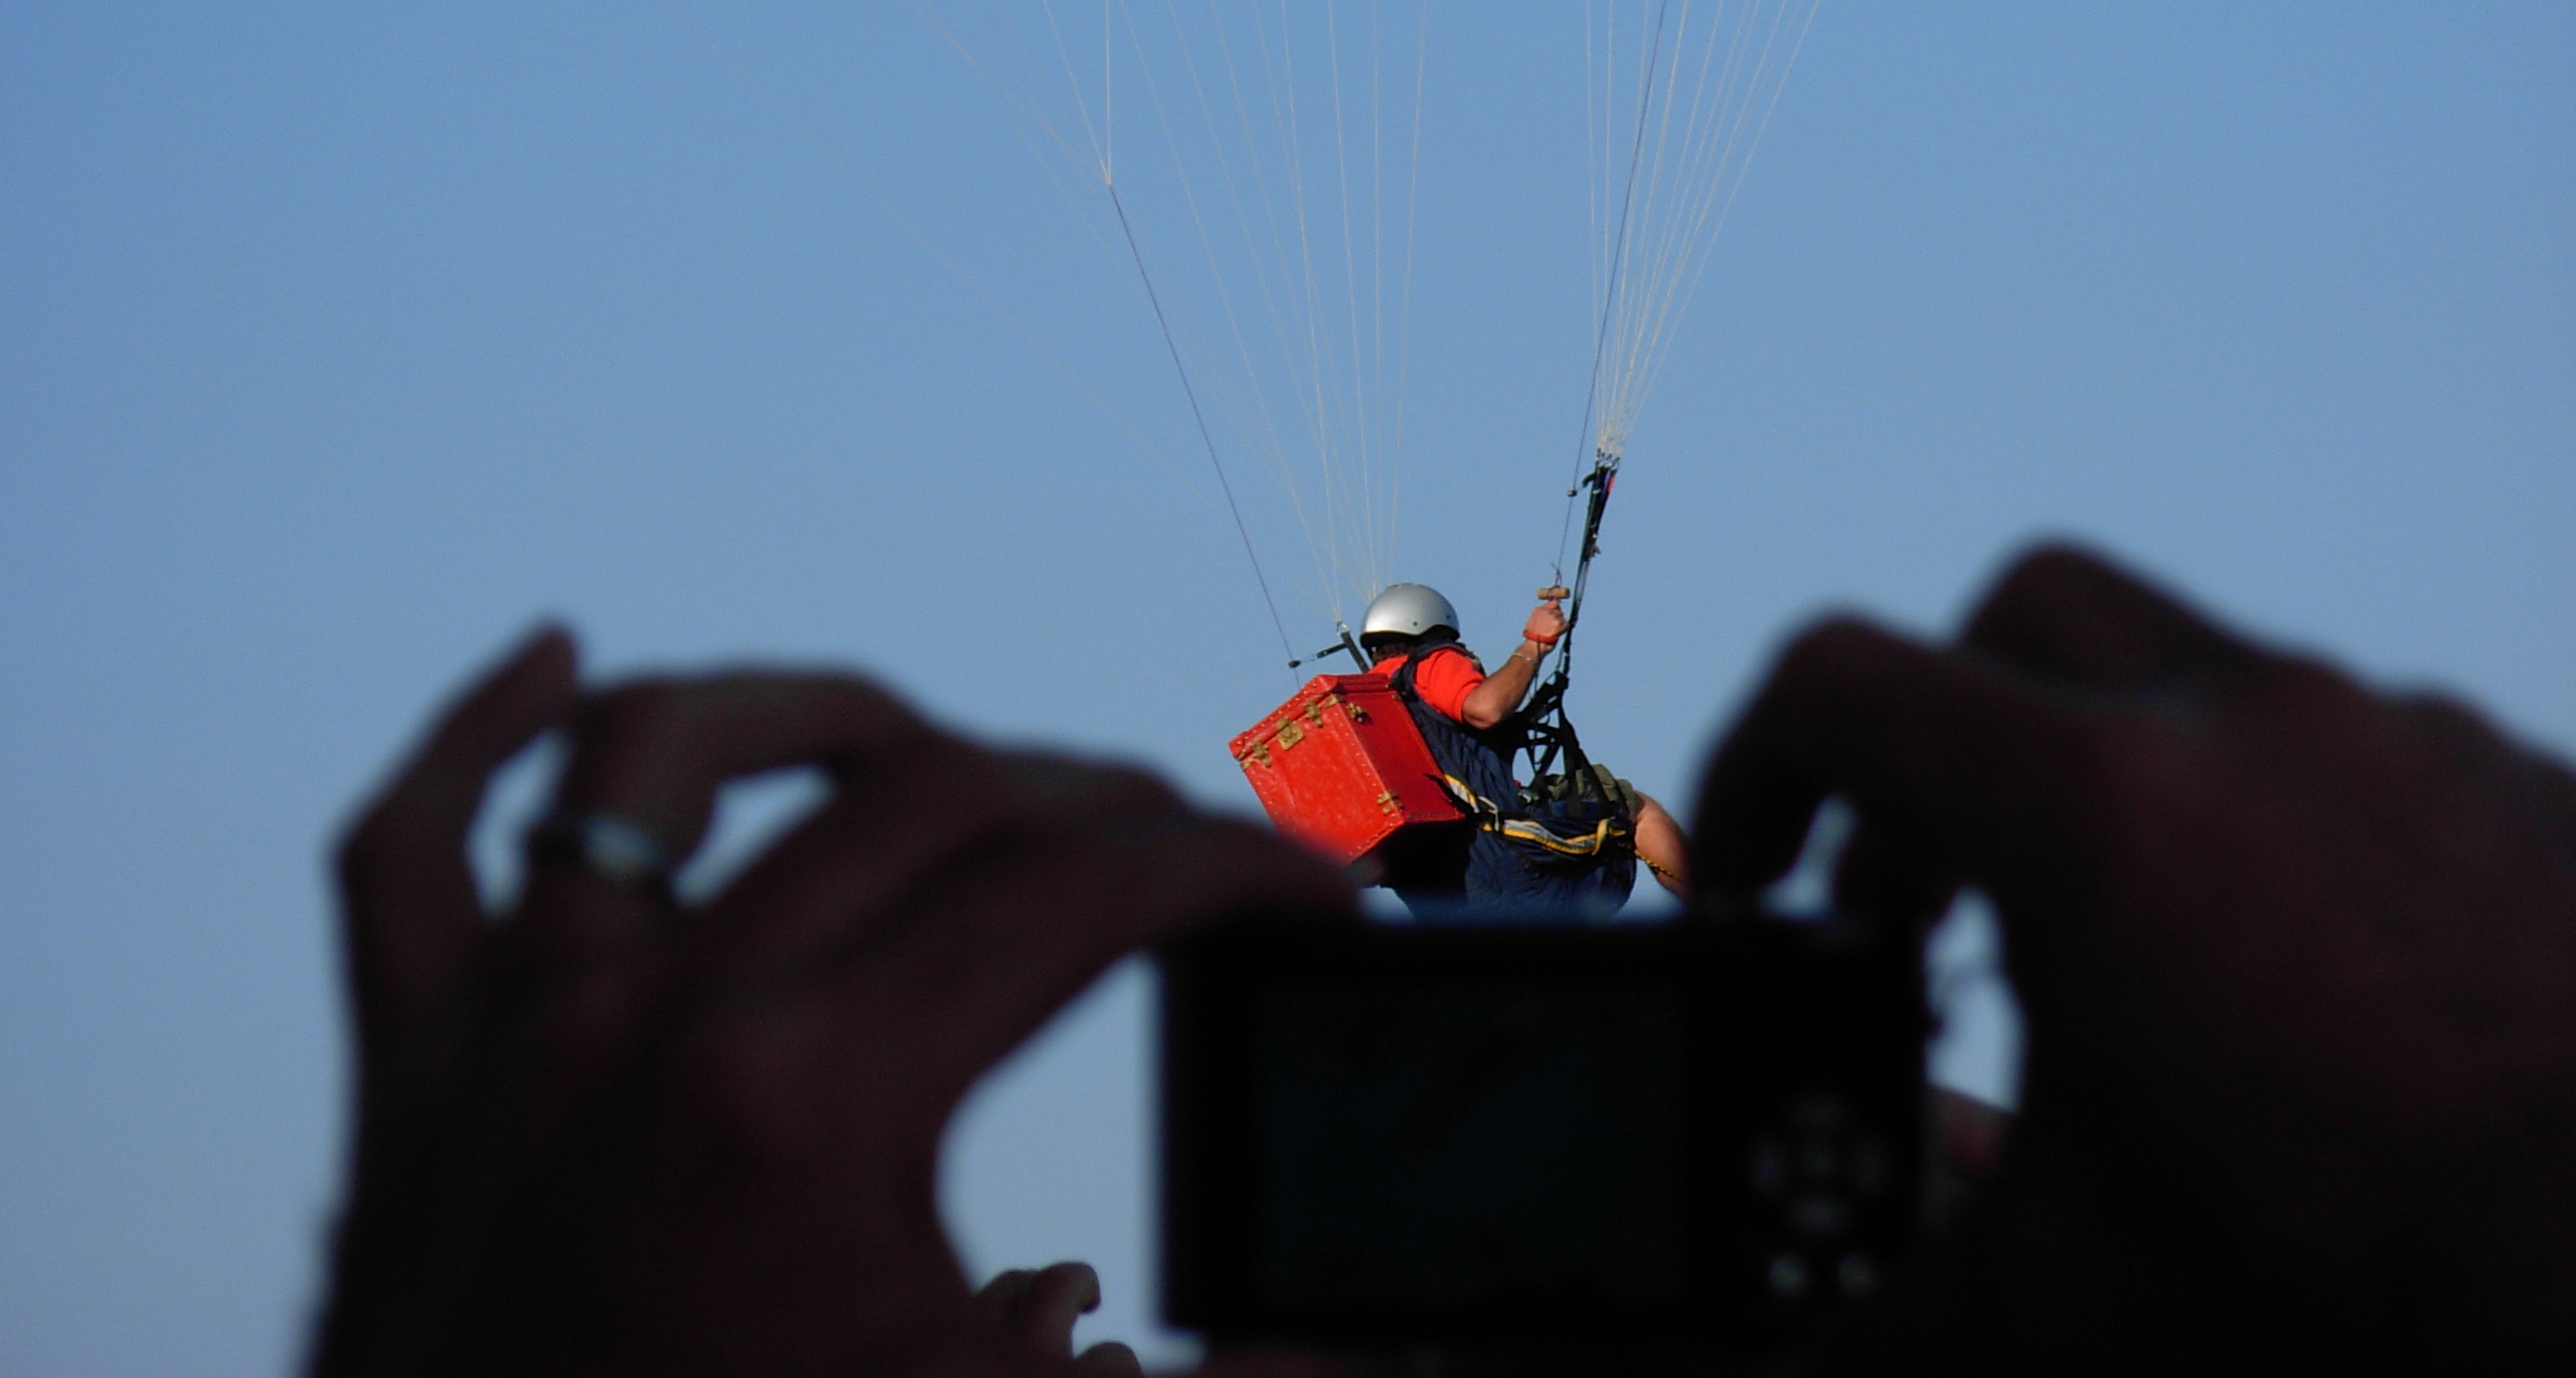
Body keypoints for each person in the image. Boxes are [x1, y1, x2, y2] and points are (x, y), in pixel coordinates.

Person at [312, 545, 2576, 1374]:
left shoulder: (1458, 737)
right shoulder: (1423, 720)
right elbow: (1477, 717)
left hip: (1526, 899)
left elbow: (1517, 742)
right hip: (1503, 904)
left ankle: (1682, 946)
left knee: (1626, 839)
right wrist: (2480, 1204)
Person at [1353, 580, 1692, 915]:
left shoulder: (1363, 714)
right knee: (1634, 807)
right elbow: (1486, 709)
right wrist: (1535, 644)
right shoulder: (1432, 663)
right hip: (1504, 864)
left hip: (1442, 902)